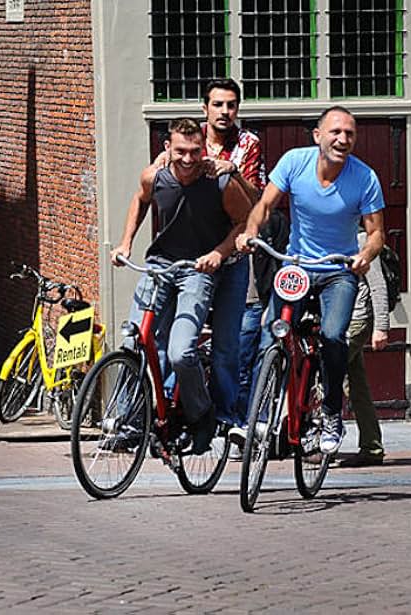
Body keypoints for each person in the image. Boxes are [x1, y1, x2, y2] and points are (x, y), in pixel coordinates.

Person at [237, 105, 385, 455]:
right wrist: (250, 231)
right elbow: (265, 205)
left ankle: (332, 411)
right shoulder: (294, 162)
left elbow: (376, 233)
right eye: (335, 131)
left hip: (338, 270)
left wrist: (365, 256)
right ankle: (257, 417)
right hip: (298, 266)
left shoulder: (364, 178)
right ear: (317, 135)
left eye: (349, 133)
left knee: (334, 336)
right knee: (270, 331)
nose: (342, 139)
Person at [111, 117, 253, 454]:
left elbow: (246, 221)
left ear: (203, 150)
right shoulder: (155, 175)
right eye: (180, 152)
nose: (188, 160)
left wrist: (219, 253)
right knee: (134, 341)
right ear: (166, 149)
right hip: (161, 265)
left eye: (194, 152)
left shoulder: (219, 180)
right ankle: (129, 421)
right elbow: (140, 200)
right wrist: (125, 243)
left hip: (198, 269)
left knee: (181, 352)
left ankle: (203, 414)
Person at [153, 79, 266, 433]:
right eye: (218, 105)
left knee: (227, 343)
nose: (225, 112)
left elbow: (258, 200)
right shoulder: (190, 141)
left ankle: (225, 415)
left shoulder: (248, 144)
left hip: (229, 257)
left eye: (231, 105)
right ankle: (170, 409)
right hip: (189, 257)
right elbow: (159, 179)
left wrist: (232, 172)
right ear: (205, 109)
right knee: (171, 334)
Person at [230, 207, 289, 447]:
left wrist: (273, 302)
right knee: (239, 367)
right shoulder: (225, 216)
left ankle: (258, 423)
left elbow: (282, 261)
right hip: (238, 305)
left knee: (264, 361)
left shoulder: (273, 220)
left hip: (261, 302)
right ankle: (240, 428)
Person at [338, 230, 390, 467]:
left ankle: (317, 438)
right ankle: (371, 446)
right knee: (355, 383)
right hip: (339, 318)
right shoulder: (325, 237)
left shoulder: (361, 240)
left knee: (328, 368)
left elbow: (377, 285)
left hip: (358, 319)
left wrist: (381, 327)